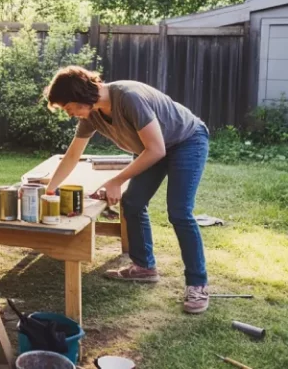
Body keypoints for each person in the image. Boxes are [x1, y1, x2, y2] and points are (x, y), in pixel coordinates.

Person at [42, 65, 211, 314]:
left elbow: (157, 150)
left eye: (69, 108)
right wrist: (49, 190)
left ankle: (198, 284)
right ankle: (144, 268)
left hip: (186, 141)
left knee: (179, 211)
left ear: (80, 96)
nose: (70, 115)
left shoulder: (128, 97)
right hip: (152, 147)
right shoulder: (92, 114)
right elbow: (72, 156)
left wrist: (116, 181)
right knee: (132, 203)